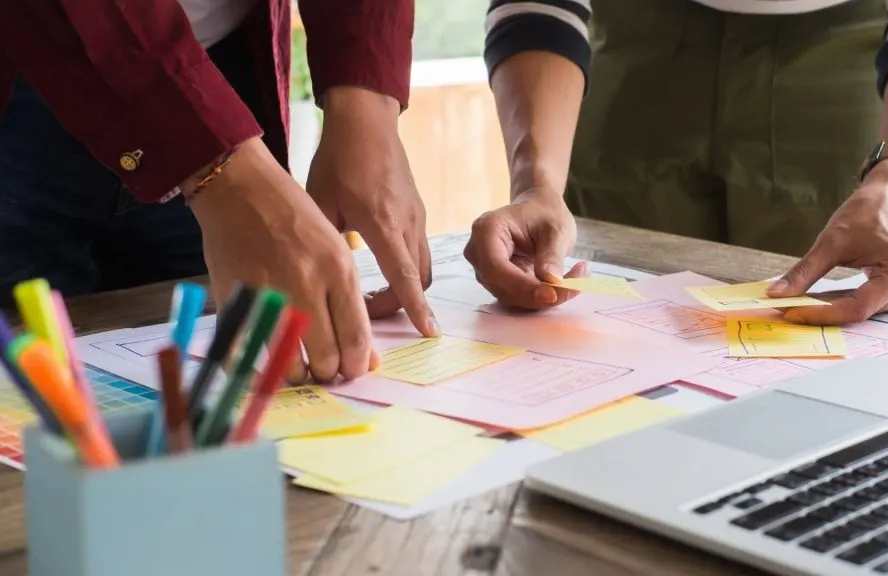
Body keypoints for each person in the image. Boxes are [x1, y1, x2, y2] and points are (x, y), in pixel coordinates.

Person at [0, 0, 588, 384]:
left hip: (224, 76)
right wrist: (215, 160)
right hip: (28, 83)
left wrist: (365, 100)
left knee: (219, 409)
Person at [464, 0, 888, 326]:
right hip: (639, 34)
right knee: (608, 331)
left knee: (830, 338)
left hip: (857, 43)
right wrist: (536, 184)